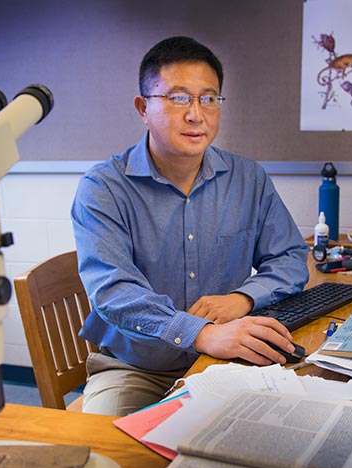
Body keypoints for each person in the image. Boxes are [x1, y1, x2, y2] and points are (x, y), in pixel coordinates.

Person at [71, 36, 309, 415]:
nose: (196, 113)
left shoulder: (249, 178)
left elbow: (291, 258)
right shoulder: (103, 188)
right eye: (179, 98)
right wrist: (202, 333)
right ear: (143, 108)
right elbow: (114, 292)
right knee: (112, 453)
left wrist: (244, 298)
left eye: (209, 98)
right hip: (137, 367)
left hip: (227, 360)